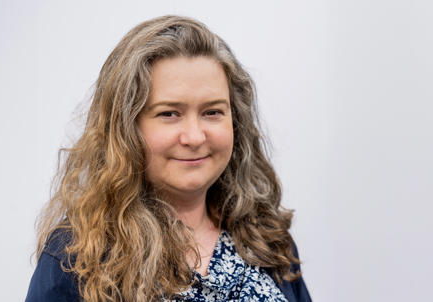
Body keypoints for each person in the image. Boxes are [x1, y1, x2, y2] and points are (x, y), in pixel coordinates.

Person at [25, 15, 311, 302]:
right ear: (126, 127)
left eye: (212, 112)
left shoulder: (266, 238)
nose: (194, 136)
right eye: (169, 114)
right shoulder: (76, 255)